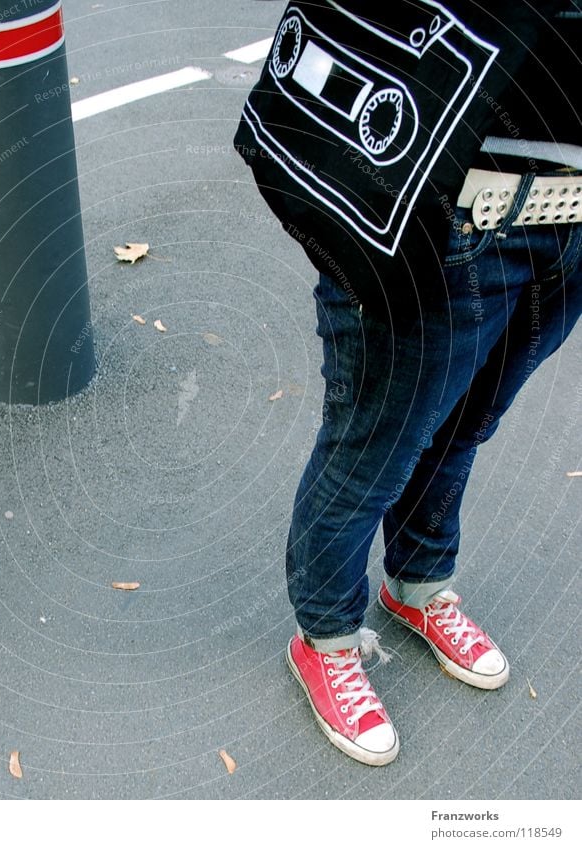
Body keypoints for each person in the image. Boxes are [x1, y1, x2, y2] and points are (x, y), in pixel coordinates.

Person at [235, 0, 581, 765]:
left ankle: (417, 585)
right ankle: (324, 634)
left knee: (462, 426)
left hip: (568, 220)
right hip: (433, 211)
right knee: (371, 451)